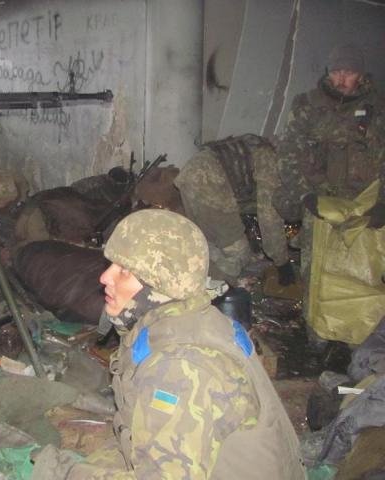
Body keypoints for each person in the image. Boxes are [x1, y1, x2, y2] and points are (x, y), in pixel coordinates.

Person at [61, 209, 305, 479]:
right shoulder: (194, 318)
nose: (105, 277)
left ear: (159, 286)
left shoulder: (180, 368)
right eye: (111, 265)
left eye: (125, 271)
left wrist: (66, 472)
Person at [273, 44, 385, 317]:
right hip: (320, 205)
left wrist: (382, 202)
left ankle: (358, 328)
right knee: (316, 274)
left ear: (361, 75)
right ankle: (316, 331)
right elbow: (289, 154)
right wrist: (305, 195)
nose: (341, 79)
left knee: (363, 274)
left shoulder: (378, 108)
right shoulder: (307, 106)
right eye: (336, 72)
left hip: (363, 205)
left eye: (349, 73)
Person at [175, 134, 294, 285]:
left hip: (189, 177)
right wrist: (282, 261)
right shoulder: (269, 161)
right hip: (210, 185)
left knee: (207, 245)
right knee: (238, 255)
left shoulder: (255, 146)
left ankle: (196, 282)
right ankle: (223, 289)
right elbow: (269, 216)